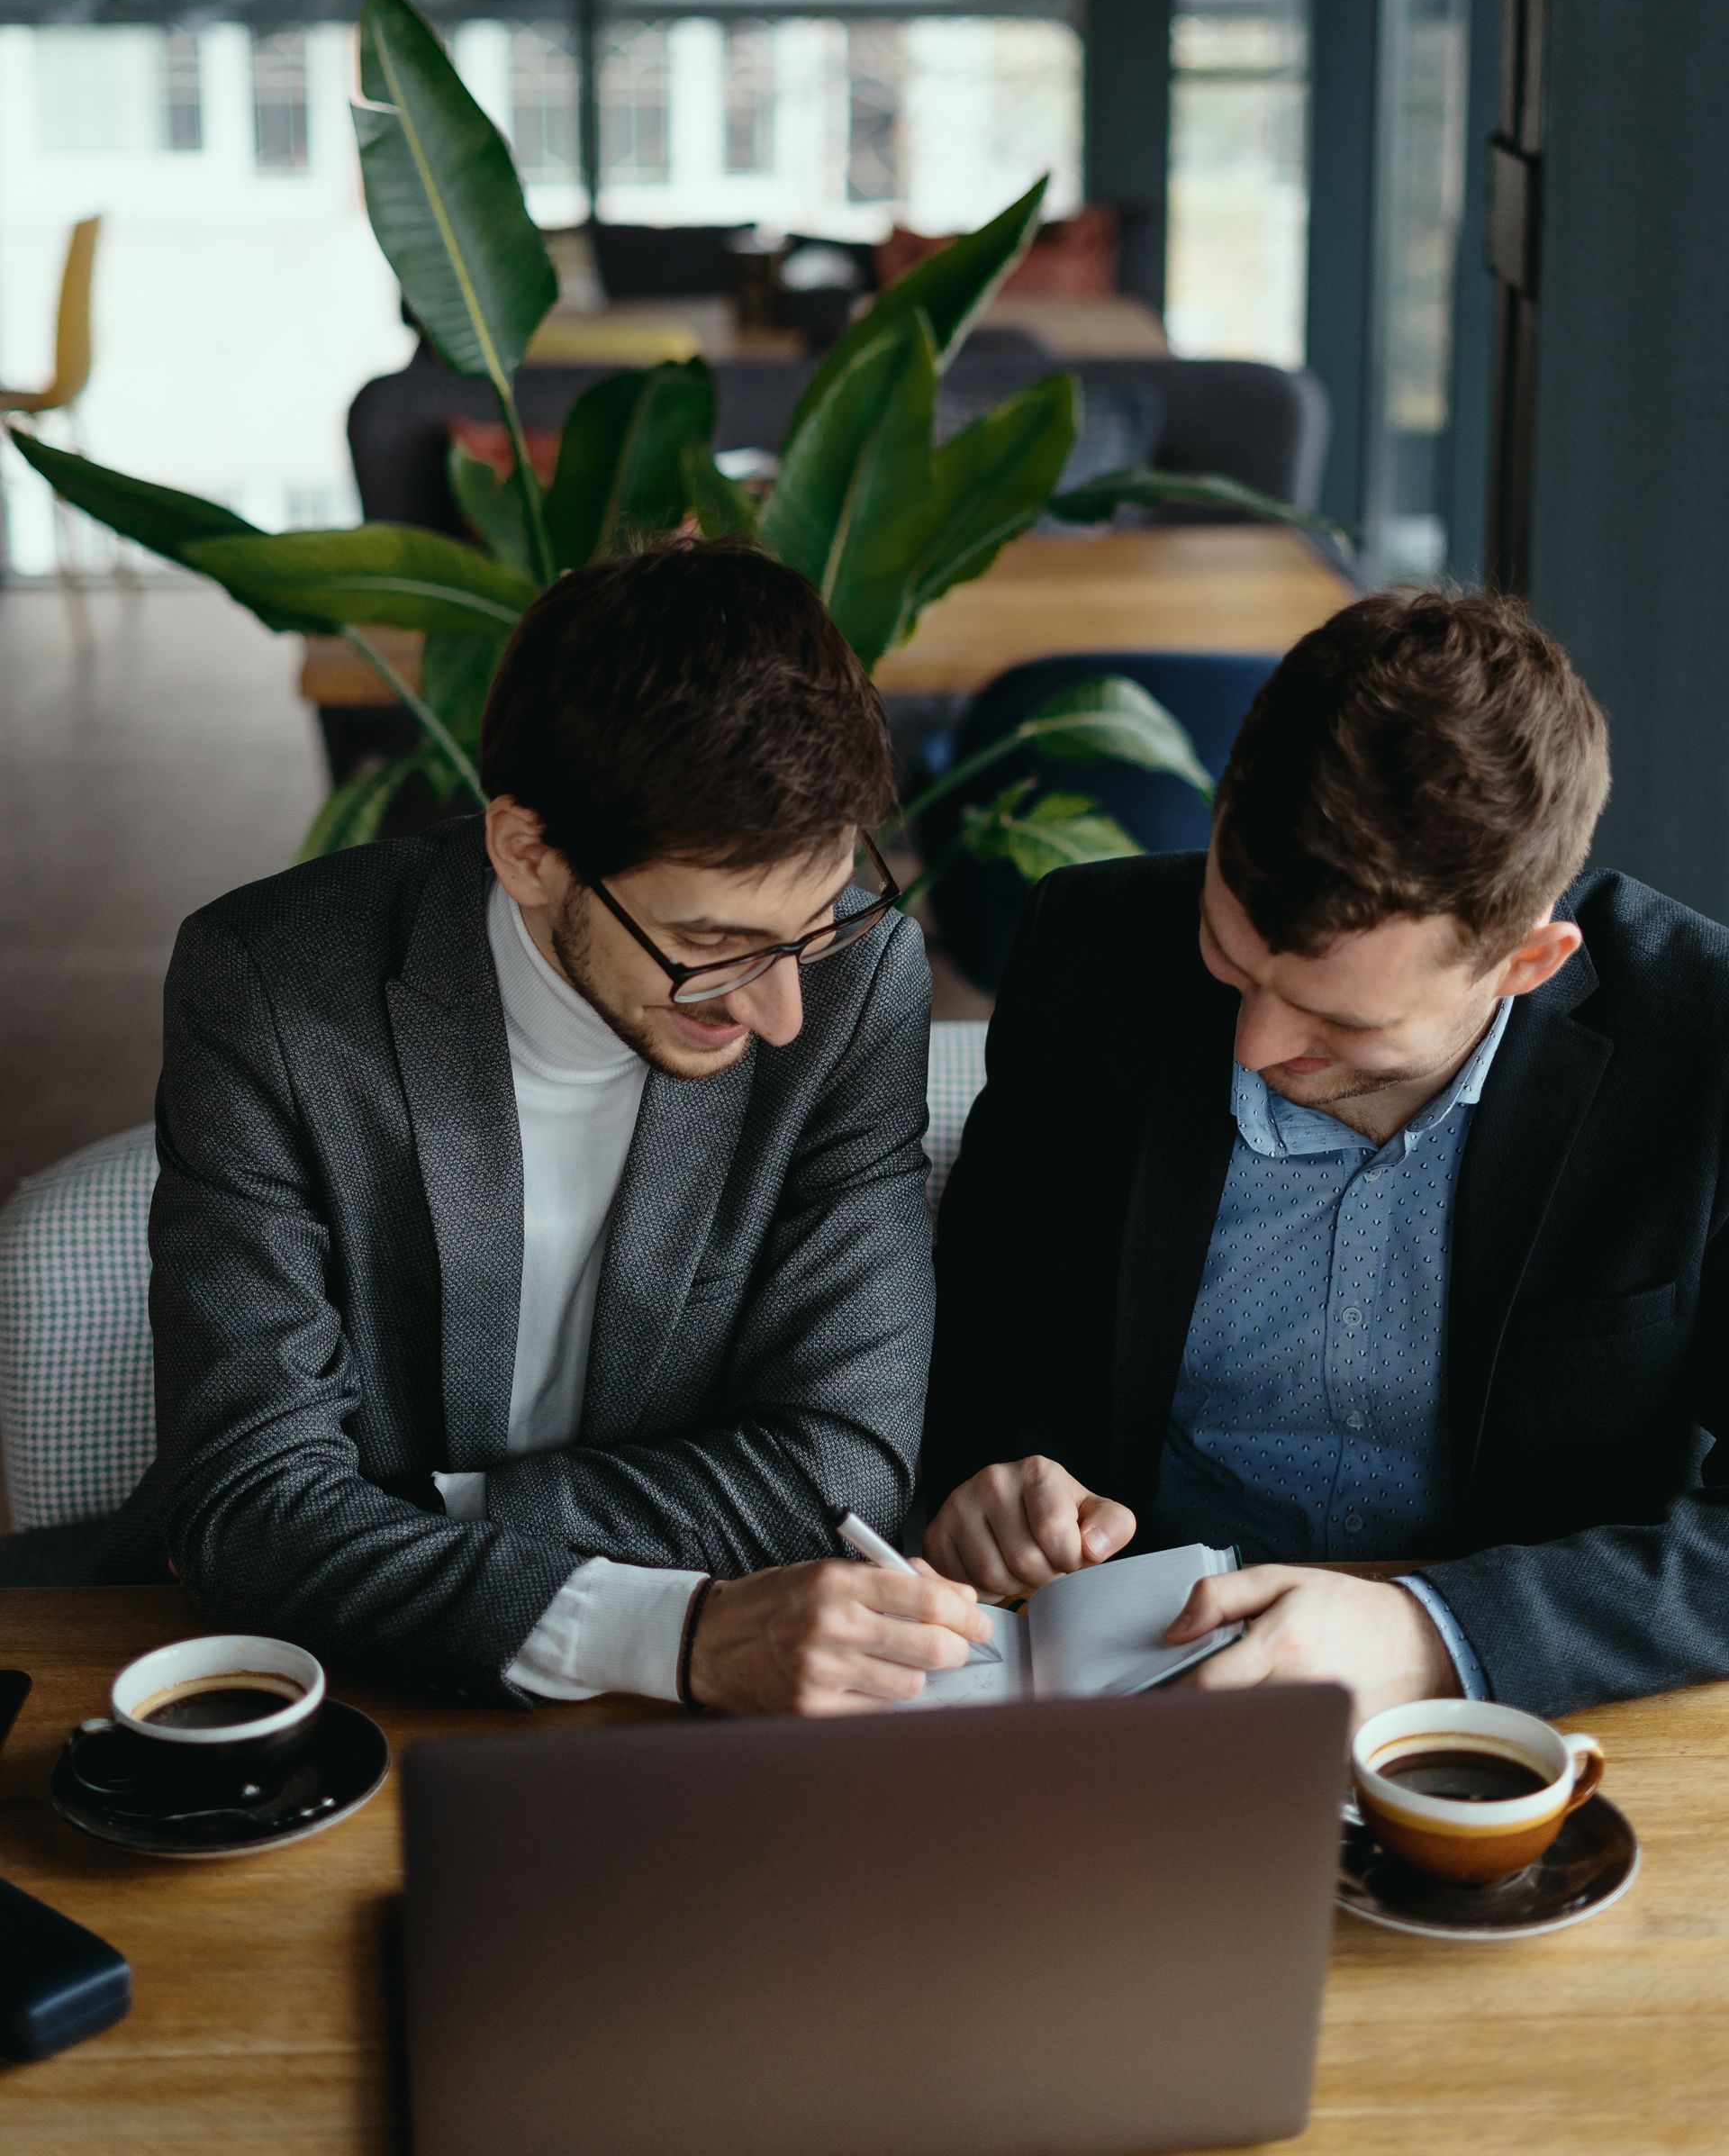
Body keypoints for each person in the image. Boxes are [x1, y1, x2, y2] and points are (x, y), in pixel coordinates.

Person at [80, 541, 991, 1711]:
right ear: (528, 852)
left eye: (815, 921)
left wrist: (404, 1516)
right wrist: (663, 1632)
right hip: (333, 1686)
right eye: (713, 948)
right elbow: (251, 1504)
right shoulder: (267, 988)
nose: (779, 1014)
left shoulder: (856, 990)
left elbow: (838, 1474)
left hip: (665, 1709)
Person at [923, 587, 1729, 1721]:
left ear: (1527, 964)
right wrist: (994, 1482)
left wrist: (1431, 1631)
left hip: (1531, 1724)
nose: (1254, 1047)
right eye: (1230, 956)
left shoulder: (1706, 1048)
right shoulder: (1091, 955)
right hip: (1142, 1692)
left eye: (1343, 1025)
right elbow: (980, 1351)